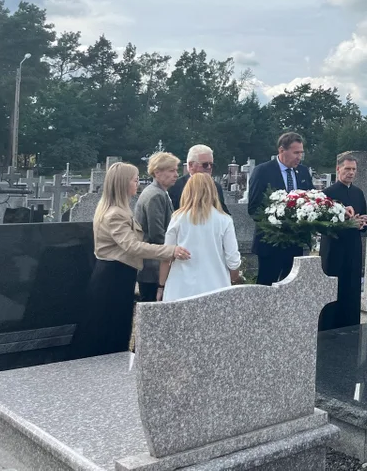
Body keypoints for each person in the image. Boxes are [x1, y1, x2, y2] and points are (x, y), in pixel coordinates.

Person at [71, 163, 190, 358]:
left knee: (117, 327)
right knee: (109, 330)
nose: (138, 184)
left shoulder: (118, 209)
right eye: (135, 180)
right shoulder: (115, 214)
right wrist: (170, 251)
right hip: (113, 277)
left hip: (118, 274)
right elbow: (132, 246)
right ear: (123, 184)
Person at [158, 172, 241, 302]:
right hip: (216, 285)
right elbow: (233, 259)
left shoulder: (177, 218)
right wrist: (233, 278)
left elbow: (167, 256)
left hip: (180, 286)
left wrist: (161, 285)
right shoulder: (225, 220)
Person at [248, 132, 313, 285]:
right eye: (295, 152)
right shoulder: (263, 171)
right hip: (271, 244)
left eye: (301, 153)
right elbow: (254, 208)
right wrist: (277, 225)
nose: (299, 157)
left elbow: (311, 201)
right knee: (266, 289)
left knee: (291, 290)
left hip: (295, 243)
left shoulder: (303, 172)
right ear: (282, 150)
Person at [321, 154, 367, 330]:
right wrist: (348, 223)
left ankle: (351, 326)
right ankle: (328, 328)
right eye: (347, 169)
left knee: (352, 288)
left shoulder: (358, 192)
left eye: (354, 169)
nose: (351, 173)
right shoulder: (328, 194)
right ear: (338, 169)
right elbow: (323, 225)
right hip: (334, 249)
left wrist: (362, 223)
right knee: (334, 289)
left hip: (353, 248)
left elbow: (363, 222)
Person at [134, 151, 180, 301]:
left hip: (153, 267)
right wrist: (175, 251)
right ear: (157, 172)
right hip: (153, 269)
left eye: (176, 170)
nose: (176, 174)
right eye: (171, 170)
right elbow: (157, 235)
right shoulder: (155, 195)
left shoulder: (159, 192)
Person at [169, 144, 230, 213]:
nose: (209, 167)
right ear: (191, 165)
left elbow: (224, 213)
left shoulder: (216, 186)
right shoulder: (175, 186)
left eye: (211, 165)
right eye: (205, 165)